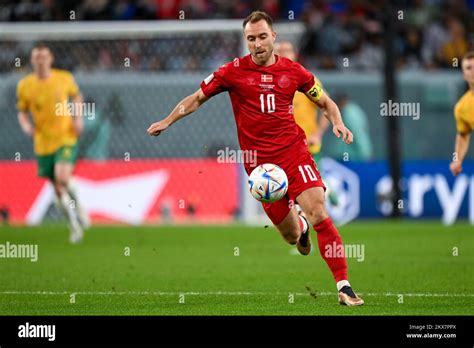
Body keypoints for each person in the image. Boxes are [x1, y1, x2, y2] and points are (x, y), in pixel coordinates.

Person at [148, 11, 363, 306]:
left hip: (294, 153)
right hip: (261, 168)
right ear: (245, 41)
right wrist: (167, 120)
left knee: (320, 214)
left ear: (273, 37)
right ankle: (299, 228)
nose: (258, 43)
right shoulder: (231, 72)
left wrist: (337, 123)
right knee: (290, 237)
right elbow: (196, 98)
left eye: (262, 37)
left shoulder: (294, 72)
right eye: (251, 38)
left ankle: (344, 285)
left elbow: (325, 102)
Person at [16, 43, 90, 243]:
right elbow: (22, 111)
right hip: (42, 142)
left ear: (51, 59)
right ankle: (74, 226)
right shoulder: (25, 85)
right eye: (37, 57)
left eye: (44, 56)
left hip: (65, 137)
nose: (40, 60)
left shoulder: (64, 78)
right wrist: (25, 125)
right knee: (57, 188)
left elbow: (77, 97)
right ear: (32, 60)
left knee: (62, 178)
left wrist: (78, 118)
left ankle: (80, 208)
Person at [274, 40, 339, 206]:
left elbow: (327, 106)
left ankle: (325, 188)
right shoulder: (267, 81)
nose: (283, 53)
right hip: (281, 146)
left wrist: (317, 135)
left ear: (295, 54)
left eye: (287, 50)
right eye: (279, 50)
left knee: (310, 189)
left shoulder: (306, 79)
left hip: (306, 144)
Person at [450, 51, 474, 176]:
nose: (473, 71)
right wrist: (457, 159)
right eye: (469, 68)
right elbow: (463, 135)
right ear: (464, 74)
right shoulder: (462, 107)